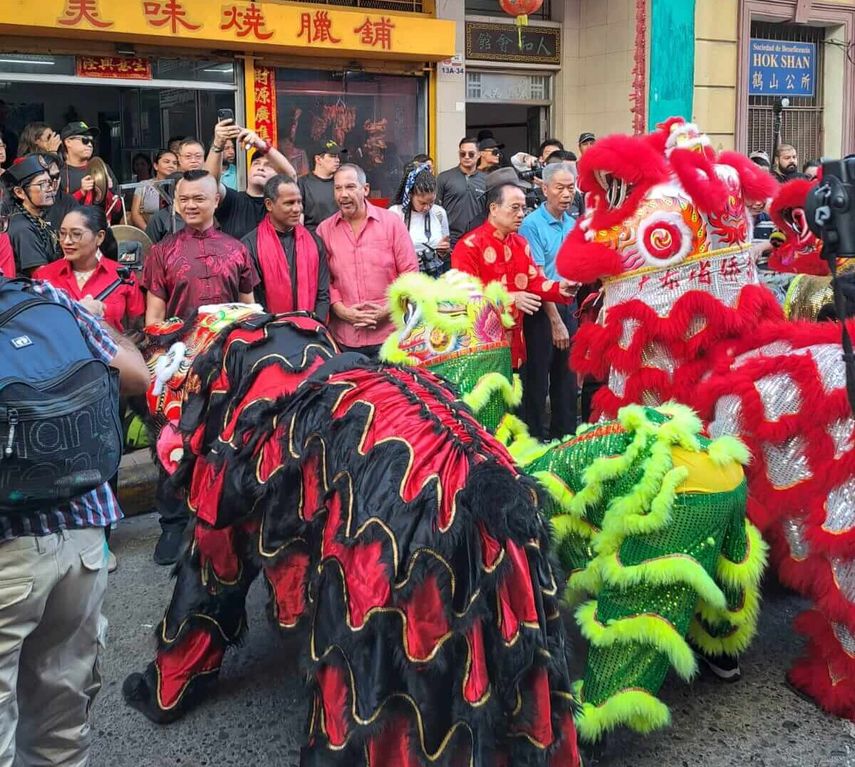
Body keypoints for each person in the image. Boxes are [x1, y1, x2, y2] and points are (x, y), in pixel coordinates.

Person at [0, 272, 149, 767]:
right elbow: (134, 374)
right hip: (80, 539)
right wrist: (105, 323)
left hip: (6, 558)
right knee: (61, 732)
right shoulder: (44, 296)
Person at [141, 169, 258, 564]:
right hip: (180, 364)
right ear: (176, 202)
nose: (191, 205)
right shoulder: (161, 252)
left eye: (199, 198)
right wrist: (164, 362)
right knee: (172, 444)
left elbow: (250, 308)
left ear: (215, 201)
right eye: (184, 199)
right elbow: (153, 318)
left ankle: (223, 522)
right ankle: (172, 525)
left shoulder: (237, 250)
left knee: (224, 442)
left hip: (228, 363)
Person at [451, 168, 576, 370]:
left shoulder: (520, 243)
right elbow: (464, 298)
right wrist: (511, 298)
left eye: (523, 208)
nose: (521, 214)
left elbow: (534, 281)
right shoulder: (469, 246)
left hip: (516, 344)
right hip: (481, 347)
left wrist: (559, 288)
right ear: (493, 208)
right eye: (515, 208)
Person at [317, 163, 418, 357]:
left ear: (366, 189)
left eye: (350, 187)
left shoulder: (391, 223)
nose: (343, 194)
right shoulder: (324, 230)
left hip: (390, 336)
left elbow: (410, 275)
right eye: (338, 188)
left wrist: (386, 310)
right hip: (345, 339)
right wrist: (342, 311)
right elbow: (324, 281)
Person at [518, 161, 579, 439]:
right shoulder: (531, 225)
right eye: (560, 188)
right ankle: (535, 441)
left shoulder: (573, 223)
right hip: (543, 310)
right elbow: (538, 277)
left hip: (570, 306)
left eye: (571, 188)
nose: (567, 194)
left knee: (567, 381)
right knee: (538, 381)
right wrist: (556, 322)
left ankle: (565, 439)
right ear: (544, 189)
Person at [34, 205, 144, 333]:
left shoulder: (122, 275)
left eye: (76, 234)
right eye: (62, 234)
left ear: (99, 237)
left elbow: (137, 328)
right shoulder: (44, 276)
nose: (66, 241)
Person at [241, 174, 329, 320]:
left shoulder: (315, 242)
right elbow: (253, 302)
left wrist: (315, 326)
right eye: (289, 203)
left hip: (310, 331)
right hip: (268, 333)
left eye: (299, 202)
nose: (297, 209)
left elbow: (323, 295)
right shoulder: (249, 245)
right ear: (269, 204)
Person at [206, 117, 297, 240]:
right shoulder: (232, 200)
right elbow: (208, 184)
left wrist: (261, 145)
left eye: (268, 166)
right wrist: (217, 144)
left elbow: (291, 177)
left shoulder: (278, 204)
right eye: (256, 164)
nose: (260, 168)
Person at [4, 154, 62, 275]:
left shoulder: (36, 218)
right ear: (20, 192)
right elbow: (40, 274)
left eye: (49, 182)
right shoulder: (22, 228)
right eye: (42, 184)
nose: (50, 188)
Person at [389, 163, 450, 276]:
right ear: (410, 195)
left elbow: (444, 250)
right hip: (405, 277)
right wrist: (406, 261)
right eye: (422, 203)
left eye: (431, 202)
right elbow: (385, 250)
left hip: (434, 276)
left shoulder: (439, 213)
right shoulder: (395, 213)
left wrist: (443, 251)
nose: (427, 207)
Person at [144, 138, 207, 243]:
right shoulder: (161, 218)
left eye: (198, 156)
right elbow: (149, 250)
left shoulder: (208, 210)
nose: (193, 160)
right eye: (188, 156)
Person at [436, 137, 486, 250]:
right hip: (451, 241)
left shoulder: (486, 180)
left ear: (479, 155)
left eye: (471, 154)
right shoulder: (444, 178)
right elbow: (435, 210)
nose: (466, 157)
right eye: (462, 154)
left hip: (478, 241)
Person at [58, 122, 119, 214]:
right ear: (68, 142)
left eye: (92, 142)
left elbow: (118, 209)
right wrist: (81, 192)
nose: (90, 145)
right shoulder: (58, 173)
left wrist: (106, 191)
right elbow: (58, 211)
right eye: (85, 140)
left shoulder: (103, 168)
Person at [298, 139, 345, 232]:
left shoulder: (341, 182)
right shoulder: (302, 183)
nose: (337, 160)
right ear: (318, 159)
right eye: (333, 156)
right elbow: (299, 218)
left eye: (337, 156)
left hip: (340, 235)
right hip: (313, 236)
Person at [130, 150, 178, 230]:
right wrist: (149, 233)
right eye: (166, 162)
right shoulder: (143, 185)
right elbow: (135, 214)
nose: (171, 165)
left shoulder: (182, 185)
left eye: (174, 163)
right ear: (156, 166)